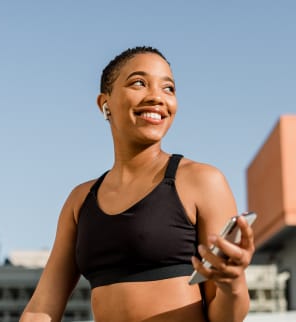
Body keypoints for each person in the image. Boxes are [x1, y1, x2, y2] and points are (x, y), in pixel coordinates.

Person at [20, 46, 255, 322]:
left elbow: (225, 318)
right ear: (104, 103)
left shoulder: (202, 181)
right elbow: (41, 309)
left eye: (169, 88)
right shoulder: (80, 200)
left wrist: (233, 283)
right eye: (139, 83)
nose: (157, 96)